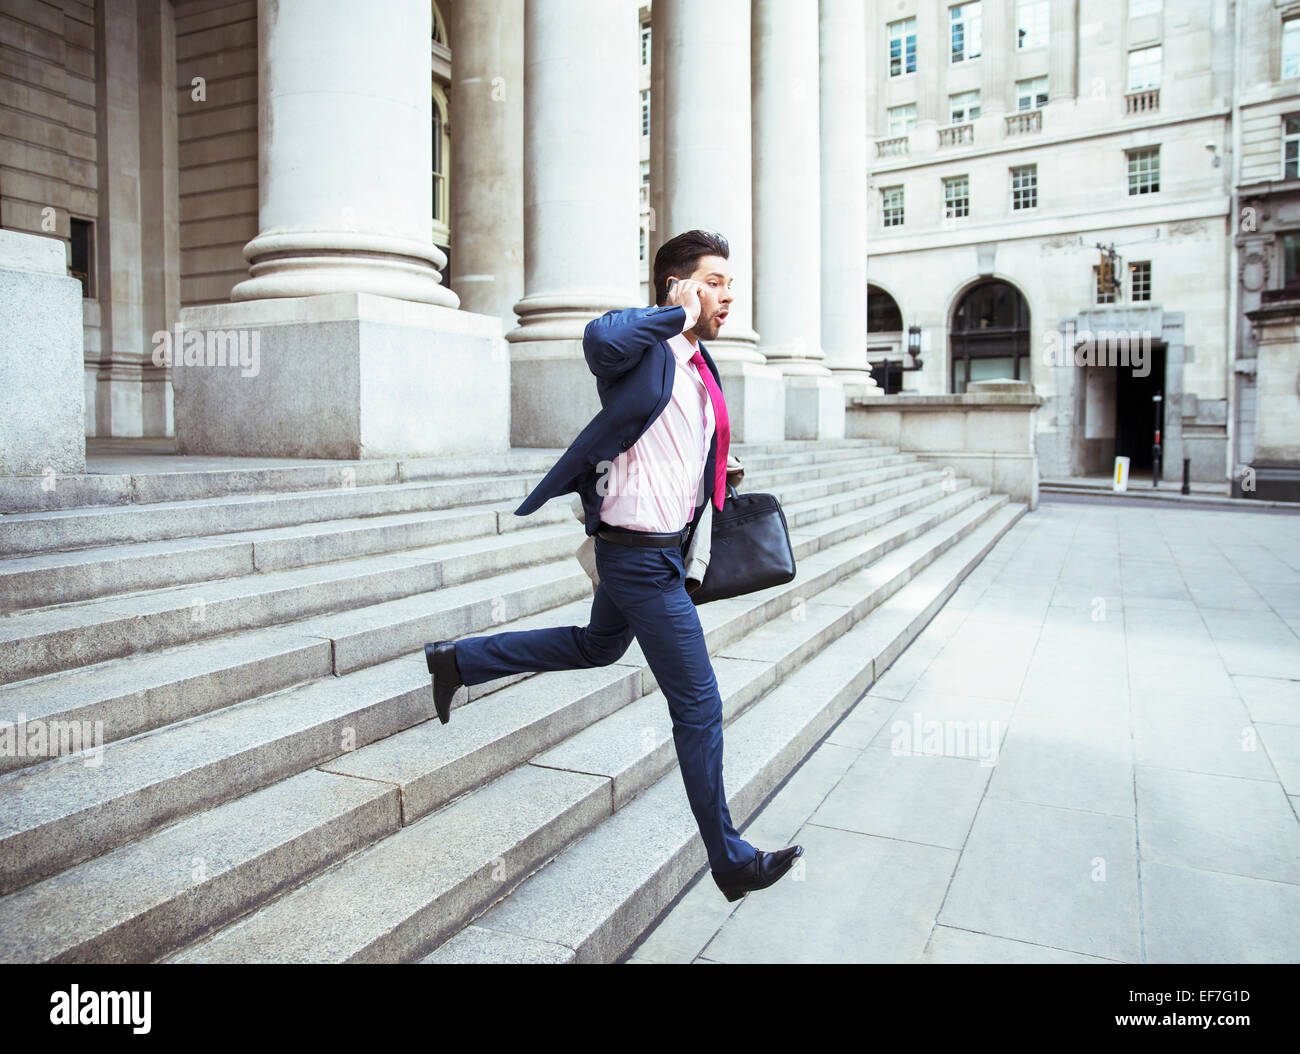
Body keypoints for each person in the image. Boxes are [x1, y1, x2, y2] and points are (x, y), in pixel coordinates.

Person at [423, 230, 803, 902]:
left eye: (728, 282)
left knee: (597, 647)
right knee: (700, 705)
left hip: (658, 551)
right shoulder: (644, 350)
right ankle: (729, 857)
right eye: (713, 281)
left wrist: (716, 471)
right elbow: (599, 339)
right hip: (637, 561)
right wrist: (676, 316)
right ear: (677, 287)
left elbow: (674, 444)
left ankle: (459, 661)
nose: (729, 294)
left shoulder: (699, 367)